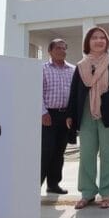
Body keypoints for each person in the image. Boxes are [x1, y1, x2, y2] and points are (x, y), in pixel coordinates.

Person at [65, 27, 109, 209]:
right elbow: (74, 92)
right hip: (85, 114)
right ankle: (87, 193)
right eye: (94, 38)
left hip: (108, 113)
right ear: (88, 42)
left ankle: (107, 193)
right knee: (86, 154)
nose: (99, 41)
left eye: (102, 38)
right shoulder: (80, 66)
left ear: (107, 42)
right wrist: (70, 114)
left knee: (108, 154)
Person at [41, 38, 75, 195]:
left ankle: (53, 184)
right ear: (50, 51)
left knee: (59, 151)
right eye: (58, 48)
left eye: (64, 48)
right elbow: (37, 92)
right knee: (46, 151)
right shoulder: (43, 69)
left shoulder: (73, 70)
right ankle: (34, 186)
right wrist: (43, 112)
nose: (62, 51)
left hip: (65, 116)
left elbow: (74, 95)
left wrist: (71, 114)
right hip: (48, 115)